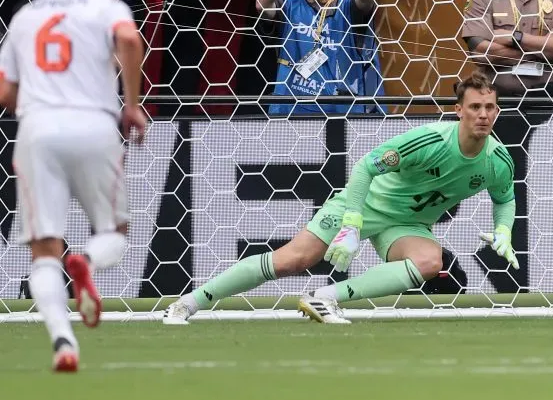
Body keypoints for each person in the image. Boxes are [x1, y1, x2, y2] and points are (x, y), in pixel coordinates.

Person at [163, 71, 517, 325]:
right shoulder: (429, 141)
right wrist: (352, 223)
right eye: (475, 107)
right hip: (364, 205)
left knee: (430, 261)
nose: (483, 115)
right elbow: (365, 167)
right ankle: (187, 304)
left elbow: (504, 199)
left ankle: (326, 298)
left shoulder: (498, 161)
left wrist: (503, 230)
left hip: (407, 224)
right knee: (294, 260)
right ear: (458, 110)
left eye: (490, 107)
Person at [0, 0, 147, 372]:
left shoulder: (26, 17)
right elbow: (130, 40)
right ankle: (87, 260)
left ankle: (63, 341)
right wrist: (132, 105)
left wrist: (39, 102)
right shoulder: (108, 8)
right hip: (94, 125)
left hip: (39, 130)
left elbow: (2, 92)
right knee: (115, 232)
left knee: (43, 251)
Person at [258, 0, 384, 115]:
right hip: (291, 113)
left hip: (342, 115)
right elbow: (262, 3)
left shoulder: (347, 5)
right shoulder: (289, 6)